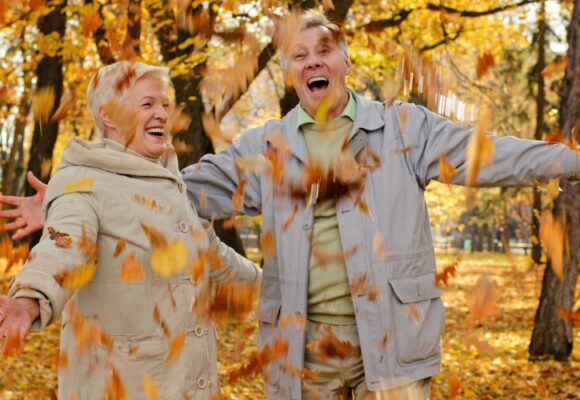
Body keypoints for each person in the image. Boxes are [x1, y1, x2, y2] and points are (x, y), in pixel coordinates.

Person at [2, 10, 580, 400]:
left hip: (395, 342)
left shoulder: (406, 129)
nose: (311, 63)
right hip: (304, 348)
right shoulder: (265, 147)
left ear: (346, 64)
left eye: (323, 52)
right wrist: (65, 196)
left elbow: (497, 155)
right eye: (298, 55)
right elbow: (167, 194)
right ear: (289, 73)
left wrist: (573, 160)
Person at [0, 61, 261, 399]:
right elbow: (65, 246)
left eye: (164, 105)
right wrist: (29, 299)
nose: (163, 114)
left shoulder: (169, 183)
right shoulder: (82, 181)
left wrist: (280, 286)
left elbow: (212, 256)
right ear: (108, 115)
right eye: (148, 104)